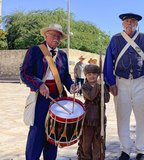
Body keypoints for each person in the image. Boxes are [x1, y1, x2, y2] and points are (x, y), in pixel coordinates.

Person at [103, 13, 144, 160]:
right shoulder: (115, 39)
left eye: (132, 21)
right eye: (127, 21)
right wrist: (111, 82)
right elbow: (109, 61)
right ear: (123, 24)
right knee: (122, 116)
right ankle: (125, 149)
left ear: (136, 24)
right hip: (120, 82)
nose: (129, 23)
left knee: (142, 116)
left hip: (141, 81)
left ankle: (141, 150)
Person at [20, 23, 79, 160]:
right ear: (46, 35)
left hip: (57, 98)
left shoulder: (63, 55)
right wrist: (39, 84)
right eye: (53, 35)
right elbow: (25, 73)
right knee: (37, 132)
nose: (56, 38)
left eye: (58, 36)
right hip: (40, 97)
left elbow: (65, 77)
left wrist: (71, 86)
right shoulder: (35, 50)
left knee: (54, 133)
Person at [77, 64, 110, 160]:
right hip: (88, 119)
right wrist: (98, 86)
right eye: (89, 74)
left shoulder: (102, 86)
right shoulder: (85, 87)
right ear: (86, 76)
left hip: (100, 119)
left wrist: (102, 88)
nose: (92, 76)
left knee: (98, 142)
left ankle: (98, 158)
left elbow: (107, 99)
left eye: (94, 74)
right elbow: (91, 96)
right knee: (86, 143)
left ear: (98, 75)